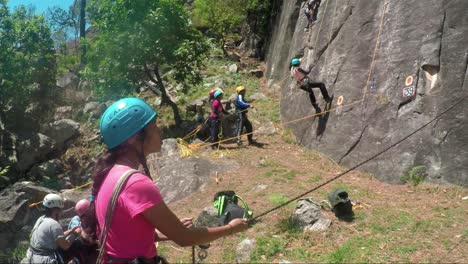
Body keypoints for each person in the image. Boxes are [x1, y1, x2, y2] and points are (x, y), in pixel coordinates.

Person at [80, 97, 248, 263]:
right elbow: (185, 238)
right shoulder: (135, 183)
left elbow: (126, 236)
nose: (160, 130)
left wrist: (169, 230)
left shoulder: (110, 176)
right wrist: (231, 228)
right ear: (134, 138)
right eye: (153, 127)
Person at [22, 194, 81, 264]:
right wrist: (76, 233)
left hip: (33, 255)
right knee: (77, 244)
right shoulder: (54, 224)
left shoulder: (41, 219)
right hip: (44, 259)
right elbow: (65, 246)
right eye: (61, 210)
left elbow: (55, 238)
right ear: (56, 210)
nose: (61, 213)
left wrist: (71, 231)